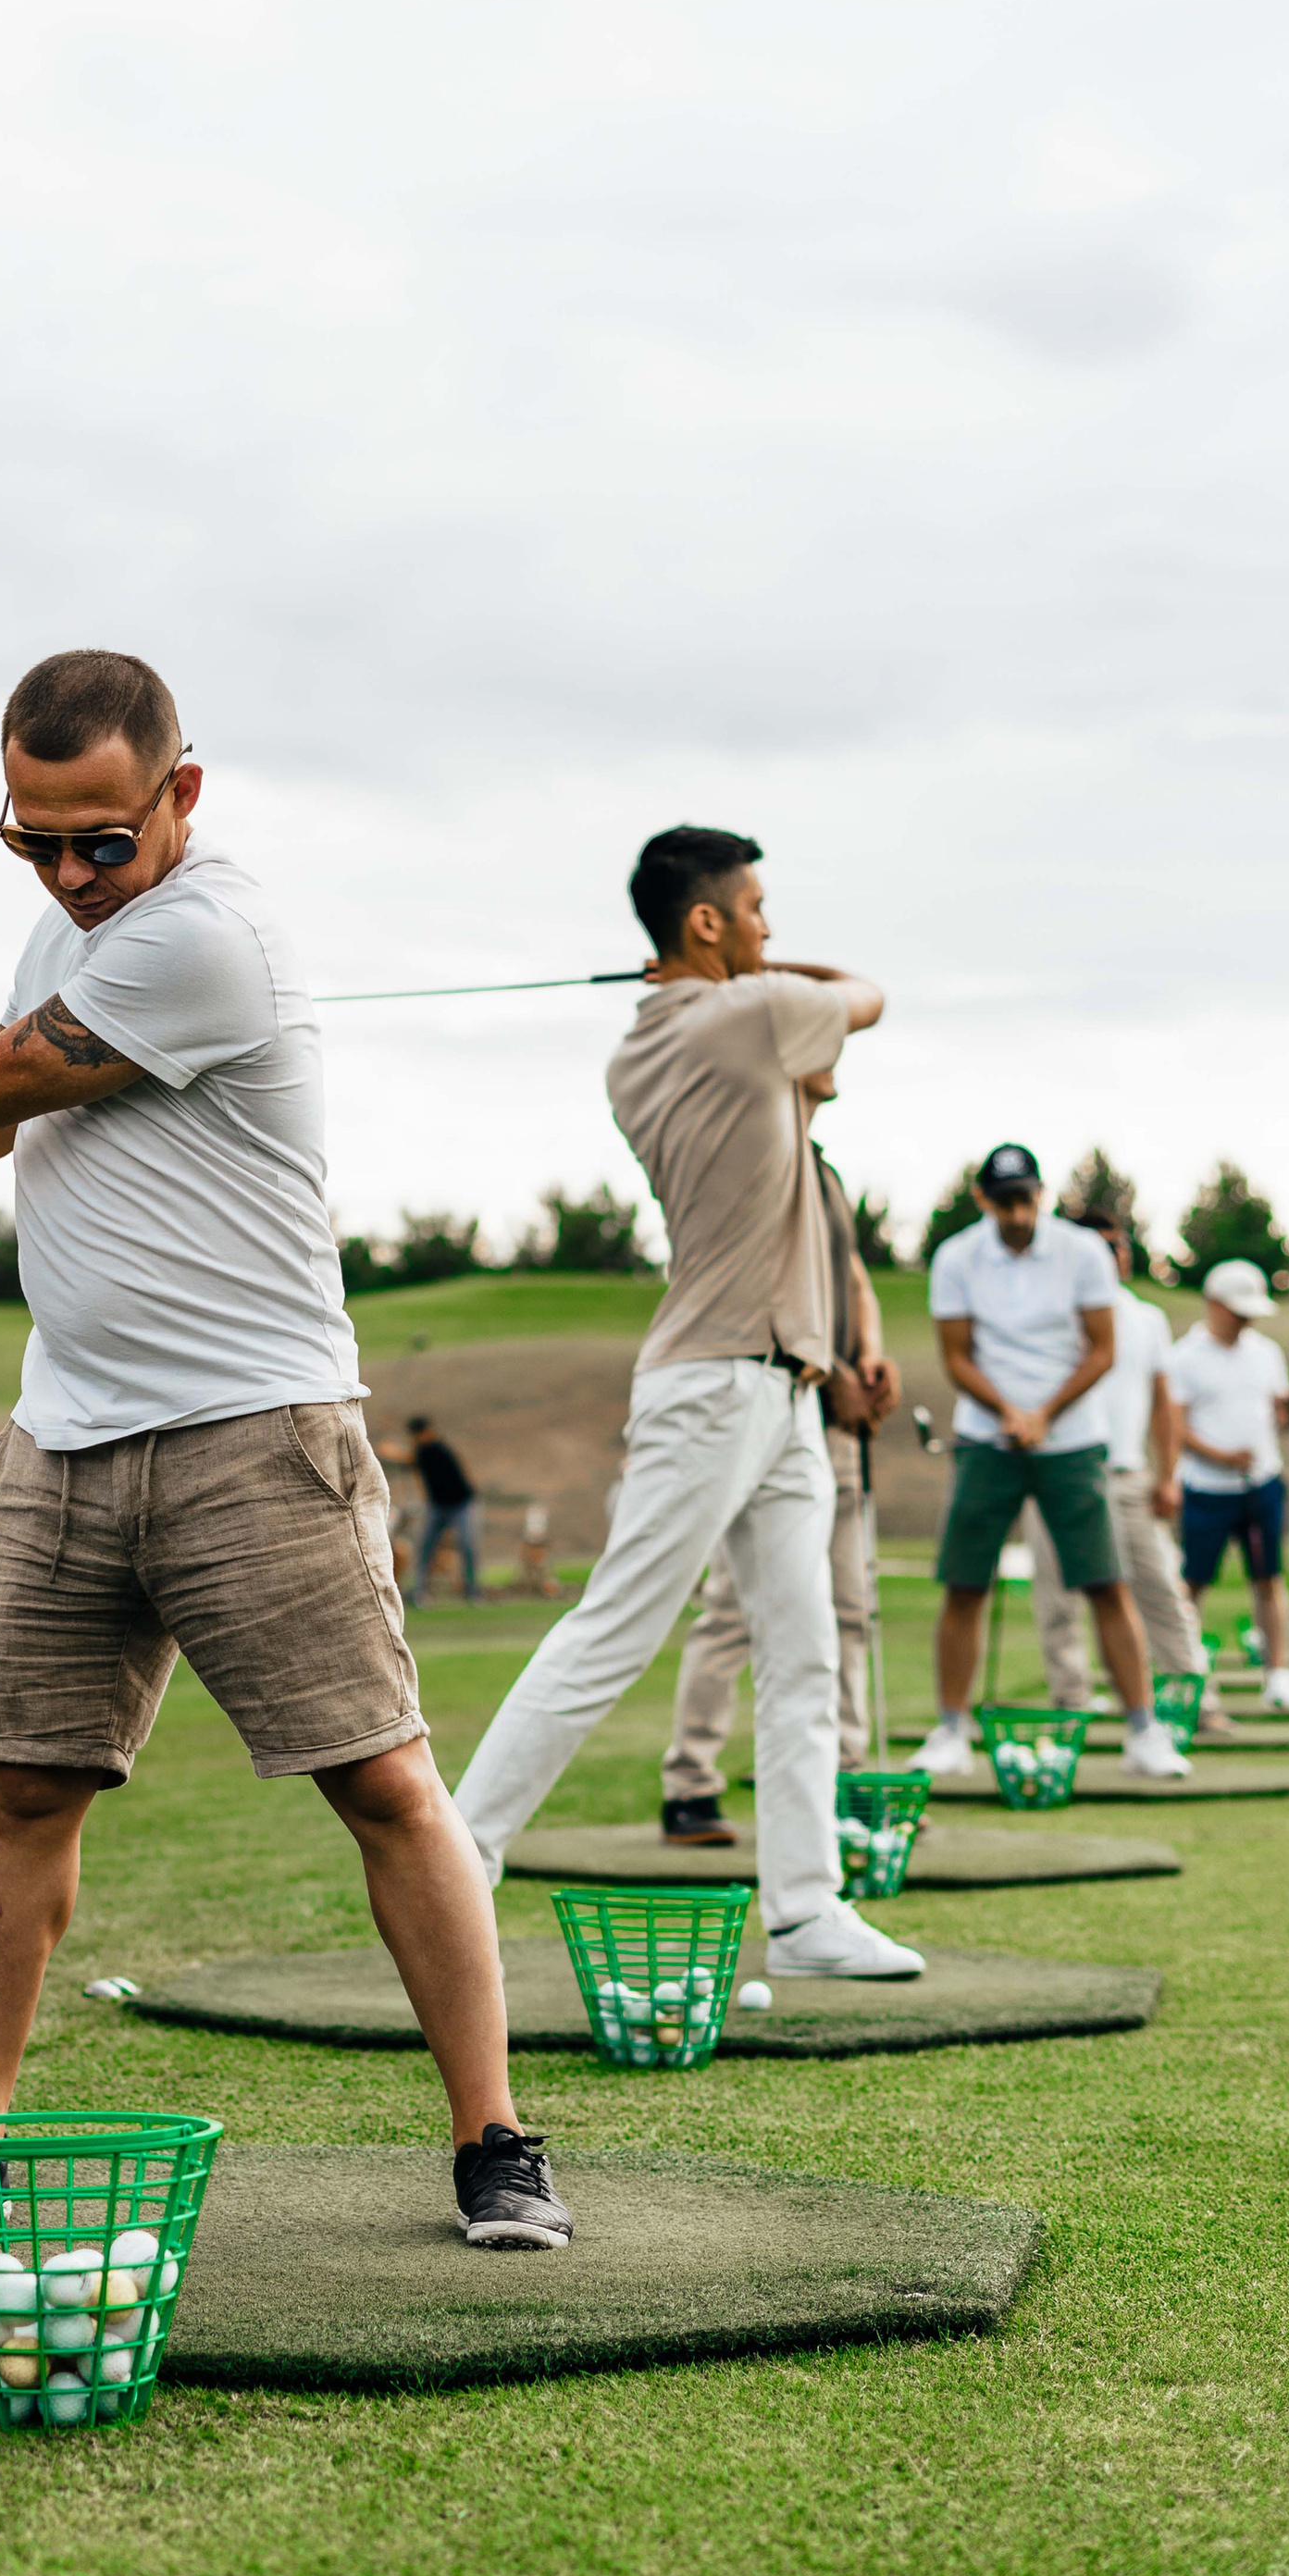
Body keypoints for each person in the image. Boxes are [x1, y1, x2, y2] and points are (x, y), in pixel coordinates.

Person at [0, 648, 571, 2251]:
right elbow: (0, 1116)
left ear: (180, 794)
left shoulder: (208, 937)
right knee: (27, 1800)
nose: (68, 873)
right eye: (33, 841)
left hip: (255, 1433)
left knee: (388, 1787)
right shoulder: (79, 922)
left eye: (100, 841)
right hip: (66, 1441)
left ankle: (498, 2144)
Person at [447, 825, 923, 1981]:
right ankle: (451, 1863)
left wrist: (737, 967)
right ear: (703, 923)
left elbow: (814, 1063)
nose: (769, 927)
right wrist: (773, 970)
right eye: (754, 907)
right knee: (614, 1630)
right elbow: (869, 997)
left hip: (783, 1391)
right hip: (714, 1385)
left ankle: (806, 1913)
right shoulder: (732, 1019)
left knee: (803, 1653)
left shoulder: (660, 1042)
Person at [661, 1071, 899, 1841]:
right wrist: (834, 1376)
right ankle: (689, 1784)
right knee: (734, 1608)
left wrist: (872, 1354)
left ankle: (847, 1776)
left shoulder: (821, 1165)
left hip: (831, 1419)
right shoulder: (751, 1156)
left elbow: (852, 1277)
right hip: (769, 1408)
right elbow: (753, 1294)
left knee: (849, 1604)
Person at [908, 1150, 1187, 1777]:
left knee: (1105, 1583)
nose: (1018, 1212)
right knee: (965, 1584)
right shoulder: (957, 1258)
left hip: (1072, 1440)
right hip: (987, 1437)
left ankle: (1143, 1732)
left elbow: (1101, 1350)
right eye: (1004, 1201)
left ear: (1042, 1194)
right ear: (983, 1199)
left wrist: (1043, 1414)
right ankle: (952, 1731)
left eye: (1026, 1198)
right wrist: (1009, 1411)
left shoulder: (1081, 1253)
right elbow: (957, 1357)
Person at [1026, 1207, 1231, 1736]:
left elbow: (1164, 1404)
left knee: (1163, 1587)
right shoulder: (1047, 1314)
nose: (1110, 1255)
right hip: (1054, 1471)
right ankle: (1072, 1701)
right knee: (1058, 1597)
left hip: (1127, 1474)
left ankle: (1194, 1695)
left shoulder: (1146, 1319)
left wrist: (1169, 1475)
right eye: (1097, 1246)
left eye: (1116, 1245)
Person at [1167, 1257, 1289, 1708]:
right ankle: (1184, 1676)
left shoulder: (1266, 1352)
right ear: (1213, 1304)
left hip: (1261, 1485)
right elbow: (1175, 1429)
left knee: (1269, 1579)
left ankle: (1278, 1675)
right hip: (1206, 1489)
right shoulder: (1183, 1357)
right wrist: (1221, 1456)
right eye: (1238, 1310)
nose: (1246, 1319)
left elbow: (1281, 1422)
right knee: (1192, 1585)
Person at [402, 1413, 478, 1604]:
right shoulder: (422, 1451)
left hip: (461, 1504)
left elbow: (410, 1458)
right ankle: (420, 1591)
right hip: (437, 1507)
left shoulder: (437, 1449)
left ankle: (472, 1591)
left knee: (467, 1544)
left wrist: (392, 1451)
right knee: (425, 1546)